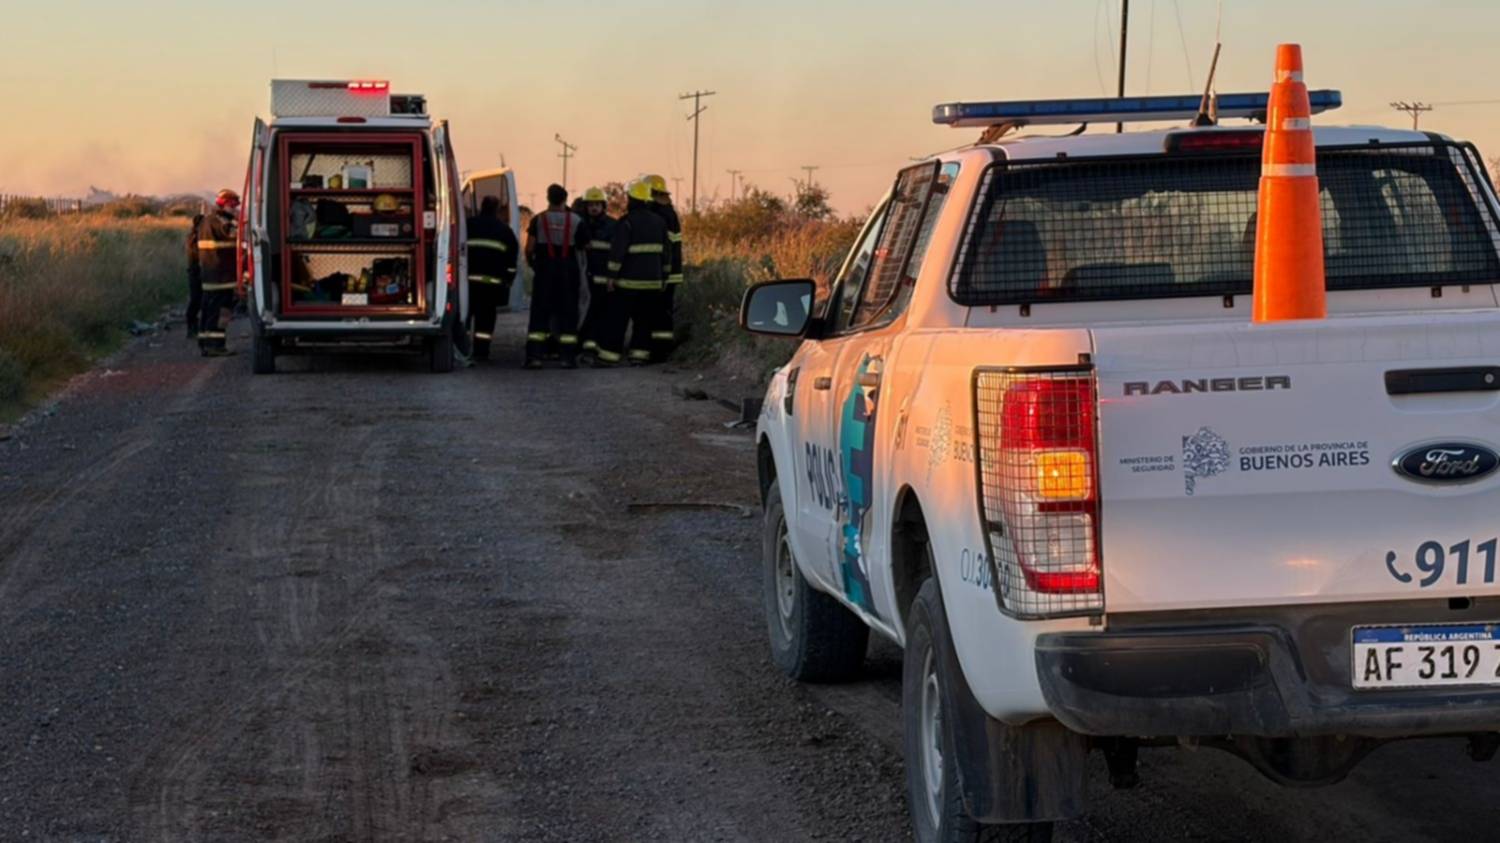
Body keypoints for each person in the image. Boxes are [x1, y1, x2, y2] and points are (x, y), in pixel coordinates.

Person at [596, 180, 671, 367]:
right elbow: (666, 254)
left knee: (617, 320)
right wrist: (664, 278)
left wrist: (611, 277)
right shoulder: (660, 222)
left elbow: (617, 253)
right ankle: (639, 356)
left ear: (632, 199)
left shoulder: (626, 222)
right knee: (644, 322)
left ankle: (609, 357)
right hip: (653, 283)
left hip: (628, 284)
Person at [522, 184, 586, 369]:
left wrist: (534, 265)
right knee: (568, 316)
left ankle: (534, 357)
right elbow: (585, 246)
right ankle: (567, 358)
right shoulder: (576, 220)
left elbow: (529, 248)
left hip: (544, 273)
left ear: (548, 198)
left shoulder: (538, 220)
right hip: (568, 274)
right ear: (565, 199)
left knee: (539, 316)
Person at [466, 196, 520, 361]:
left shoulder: (468, 225)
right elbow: (512, 259)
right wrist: (509, 279)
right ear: (497, 210)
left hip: (467, 284)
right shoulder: (504, 231)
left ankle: (461, 349)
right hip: (491, 286)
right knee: (485, 321)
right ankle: (481, 353)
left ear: (481, 207)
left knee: (465, 317)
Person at [195, 189, 239, 357]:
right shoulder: (222, 222)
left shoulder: (207, 221)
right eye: (232, 206)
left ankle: (205, 344)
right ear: (224, 205)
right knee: (220, 312)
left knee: (208, 309)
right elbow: (234, 235)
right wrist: (240, 223)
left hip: (210, 275)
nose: (234, 209)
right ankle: (216, 346)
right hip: (221, 276)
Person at [644, 174, 683, 361]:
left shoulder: (660, 214)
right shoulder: (668, 212)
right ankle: (661, 349)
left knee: (659, 313)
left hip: (664, 272)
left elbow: (663, 246)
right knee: (663, 312)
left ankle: (659, 351)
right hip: (671, 272)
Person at [577, 187, 617, 358]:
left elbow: (616, 252)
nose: (594, 208)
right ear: (585, 206)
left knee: (600, 313)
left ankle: (593, 344)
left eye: (597, 204)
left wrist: (612, 277)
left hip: (603, 278)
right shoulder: (580, 224)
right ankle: (585, 344)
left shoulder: (613, 226)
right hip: (584, 278)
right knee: (584, 312)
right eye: (591, 204)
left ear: (603, 206)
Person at [185, 211, 205, 339]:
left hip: (196, 271)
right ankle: (192, 327)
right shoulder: (194, 238)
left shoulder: (192, 237)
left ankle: (194, 327)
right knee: (196, 300)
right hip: (196, 271)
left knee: (197, 300)